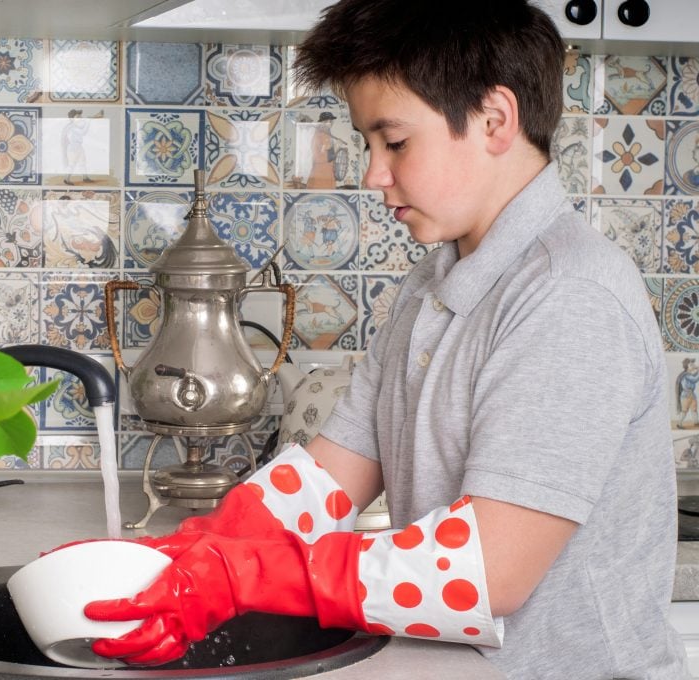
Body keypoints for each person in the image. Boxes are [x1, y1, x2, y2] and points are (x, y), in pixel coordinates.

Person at [81, 1, 689, 678]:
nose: (372, 173)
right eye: (368, 145)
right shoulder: (433, 284)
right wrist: (202, 549)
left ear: (494, 120)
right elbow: (329, 475)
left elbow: (489, 571)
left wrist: (248, 575)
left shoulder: (569, 296)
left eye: (394, 142)